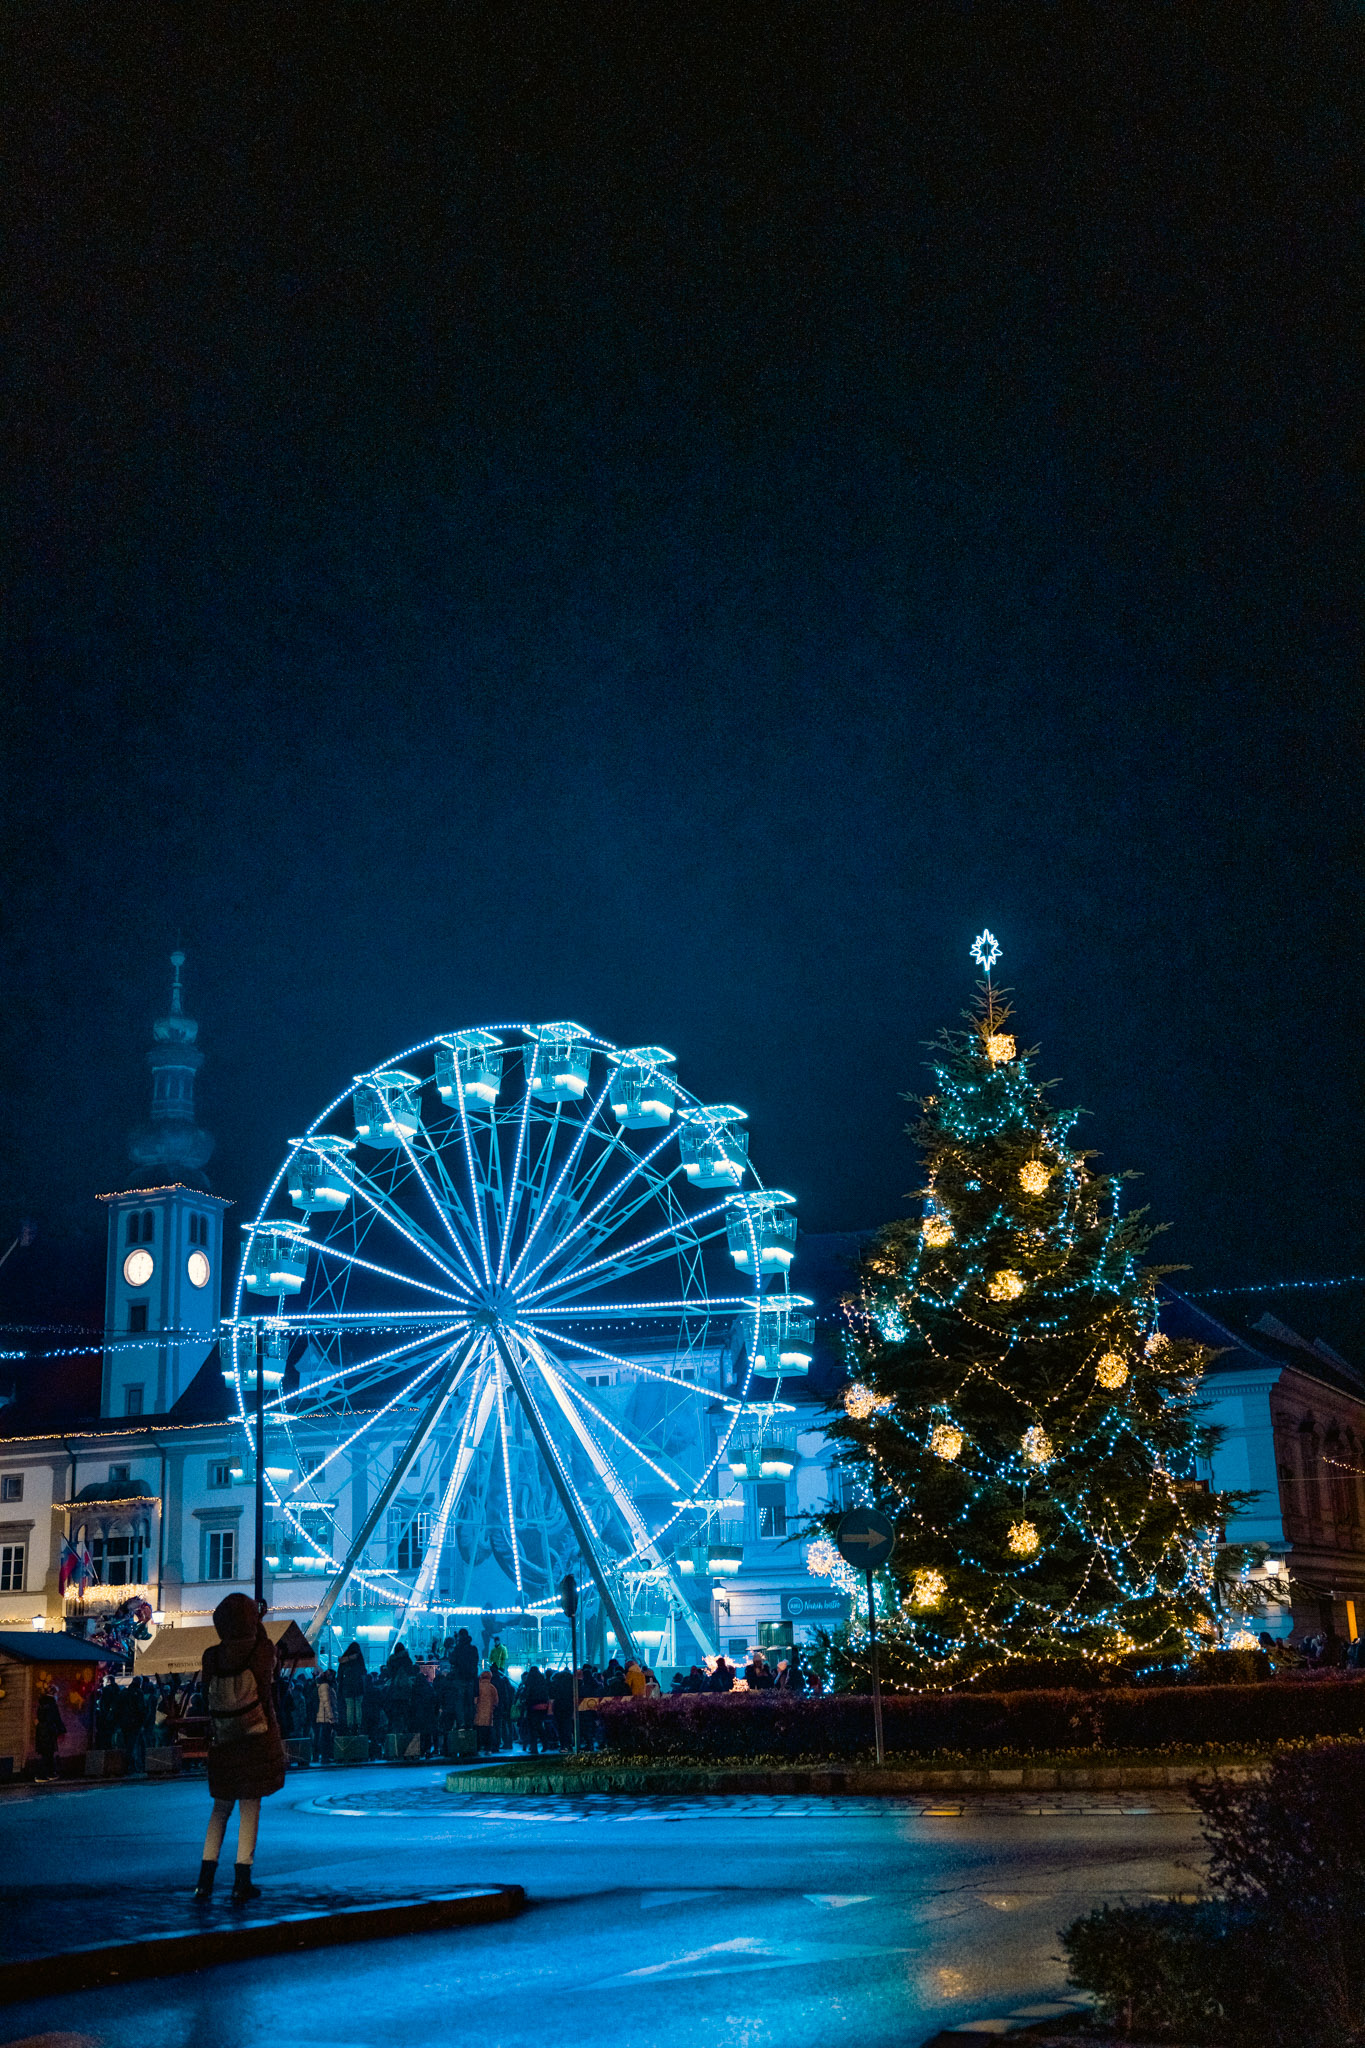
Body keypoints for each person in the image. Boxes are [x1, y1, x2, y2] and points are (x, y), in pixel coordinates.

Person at [193, 1593, 287, 1904]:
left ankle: (204, 1882)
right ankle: (241, 1880)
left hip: (223, 1742)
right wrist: (258, 1624)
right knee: (250, 1809)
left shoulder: (210, 1656)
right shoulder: (261, 1651)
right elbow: (267, 1658)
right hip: (255, 1739)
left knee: (219, 1810)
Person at [450, 1627, 479, 1733]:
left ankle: (461, 1724)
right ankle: (470, 1724)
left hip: (459, 1679)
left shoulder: (458, 1648)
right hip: (470, 1680)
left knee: (459, 1703)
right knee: (469, 1703)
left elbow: (452, 1660)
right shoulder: (473, 1649)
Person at [34, 1686, 63, 1778]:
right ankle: (42, 1775)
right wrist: (61, 1729)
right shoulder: (52, 1704)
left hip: (41, 1730)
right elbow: (56, 1718)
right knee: (48, 1753)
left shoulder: (42, 1704)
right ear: (53, 1693)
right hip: (49, 1731)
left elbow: (40, 1717)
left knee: (46, 1753)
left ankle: (50, 1773)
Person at [337, 1640, 366, 1731]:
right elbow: (363, 1671)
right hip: (358, 1686)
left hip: (347, 1687)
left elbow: (340, 1675)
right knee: (358, 1706)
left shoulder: (344, 1660)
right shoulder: (359, 1659)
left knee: (349, 1707)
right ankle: (358, 1725)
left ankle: (350, 1725)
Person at [313, 1666, 337, 1763]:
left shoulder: (321, 1685)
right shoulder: (325, 1686)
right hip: (325, 1716)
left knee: (323, 1736)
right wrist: (331, 1716)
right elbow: (327, 1702)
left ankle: (324, 1756)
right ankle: (325, 1757)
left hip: (323, 1715)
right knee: (325, 1737)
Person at [474, 1667, 499, 1752]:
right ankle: (488, 1748)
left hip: (479, 1712)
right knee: (488, 1732)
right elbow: (496, 1701)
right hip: (489, 1713)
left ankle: (478, 1747)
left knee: (479, 1731)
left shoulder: (478, 1687)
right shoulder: (492, 1687)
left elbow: (475, 1700)